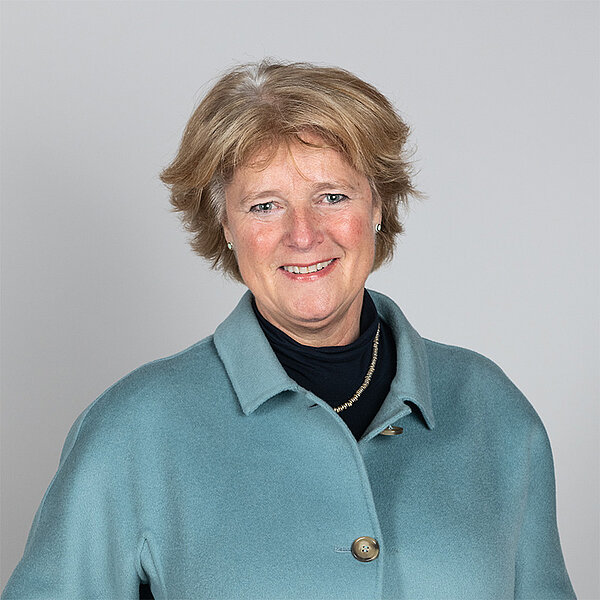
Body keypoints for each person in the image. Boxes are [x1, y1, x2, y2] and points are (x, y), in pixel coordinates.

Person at [2, 60, 576, 600]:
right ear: (225, 224)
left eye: (332, 196)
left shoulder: (491, 410)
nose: (303, 235)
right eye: (265, 206)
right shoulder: (135, 430)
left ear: (377, 206)